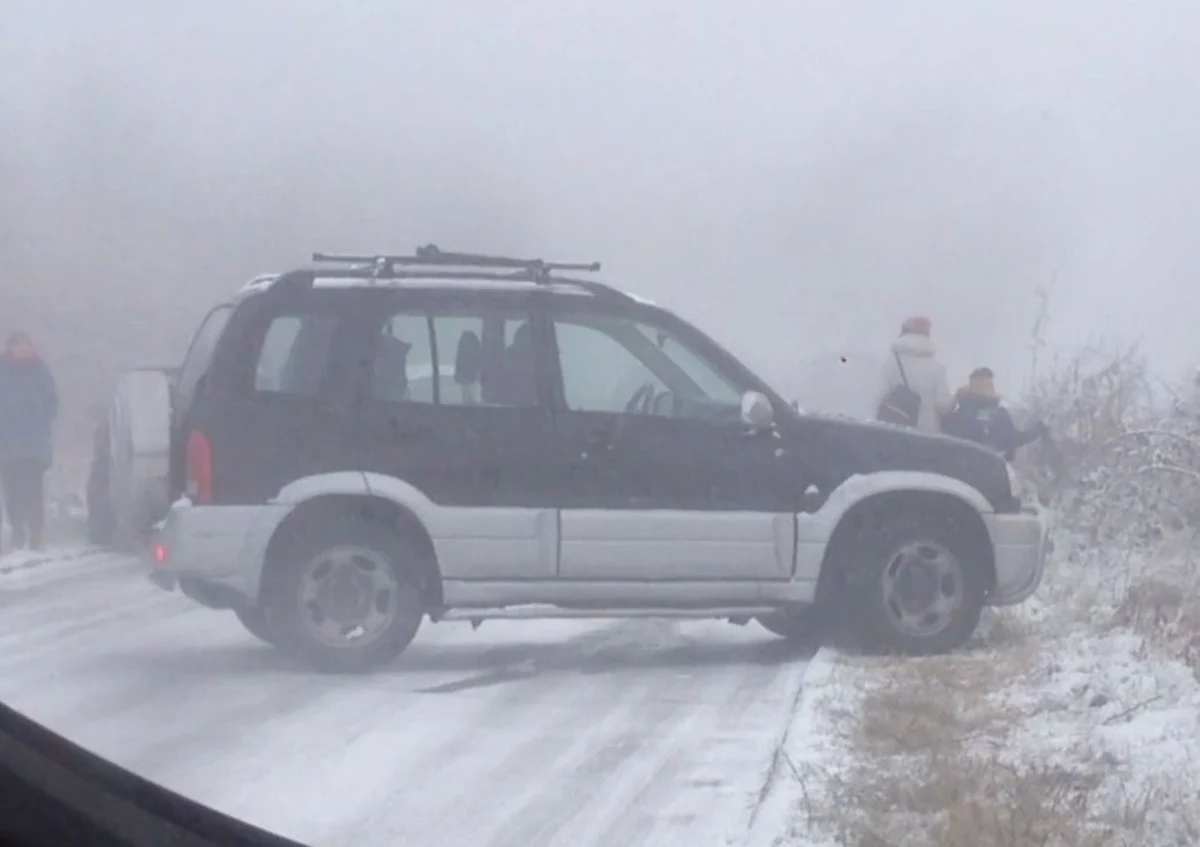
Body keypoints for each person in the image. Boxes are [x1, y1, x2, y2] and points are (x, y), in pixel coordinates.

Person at [0, 331, 59, 552]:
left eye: (26, 345)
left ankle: (36, 533)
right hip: (6, 445)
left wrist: (43, 420)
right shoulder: (3, 370)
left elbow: (51, 400)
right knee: (11, 490)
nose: (22, 349)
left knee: (33, 491)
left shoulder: (39, 370)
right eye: (18, 345)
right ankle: (17, 530)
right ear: (10, 347)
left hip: (34, 445)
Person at [943, 366, 1047, 461]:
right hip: (991, 471)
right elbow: (1013, 440)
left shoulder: (958, 416)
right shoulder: (999, 415)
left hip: (963, 471)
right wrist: (1038, 430)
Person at [874, 315, 954, 433]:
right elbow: (943, 405)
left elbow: (877, 396)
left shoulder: (891, 362)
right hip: (925, 435)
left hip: (893, 430)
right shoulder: (936, 367)